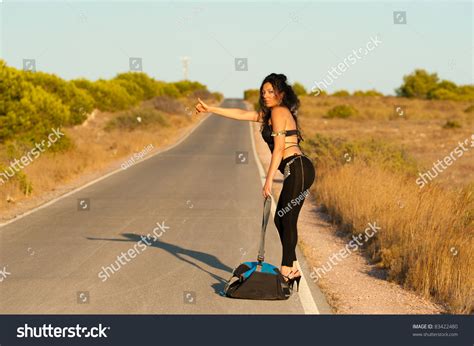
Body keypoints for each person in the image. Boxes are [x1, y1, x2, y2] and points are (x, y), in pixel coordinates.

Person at [194, 73, 316, 292]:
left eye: (271, 92)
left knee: (286, 219)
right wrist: (211, 109)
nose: (266, 96)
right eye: (263, 92)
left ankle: (288, 268)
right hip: (295, 170)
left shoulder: (279, 112)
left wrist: (268, 180)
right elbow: (241, 113)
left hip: (298, 168)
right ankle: (292, 267)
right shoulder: (269, 114)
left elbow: (279, 148)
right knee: (282, 219)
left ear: (281, 94)